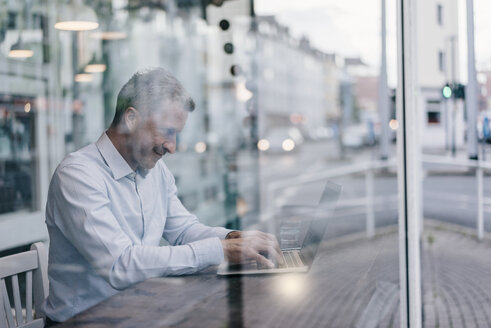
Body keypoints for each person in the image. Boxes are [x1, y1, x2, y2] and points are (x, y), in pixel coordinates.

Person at [40, 67, 283, 324]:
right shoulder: (78, 175)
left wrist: (233, 238)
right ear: (131, 119)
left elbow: (183, 230)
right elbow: (120, 266)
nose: (172, 146)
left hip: (139, 315)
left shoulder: (155, 171)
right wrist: (220, 250)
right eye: (167, 131)